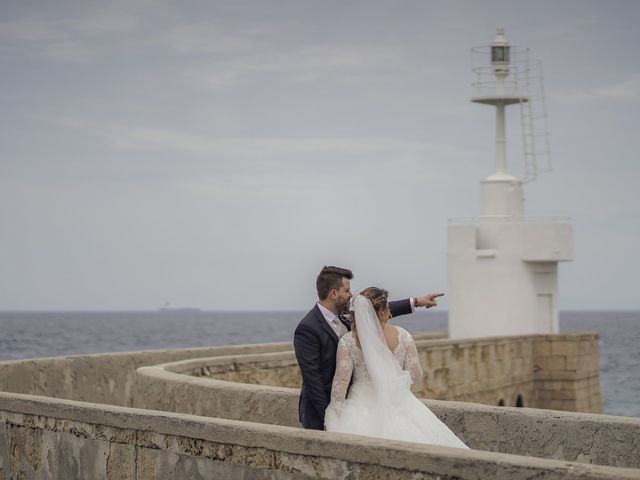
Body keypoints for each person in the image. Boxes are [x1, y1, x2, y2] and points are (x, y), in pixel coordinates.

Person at [293, 266, 444, 430]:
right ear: (334, 294)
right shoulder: (307, 328)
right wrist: (331, 420)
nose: (351, 295)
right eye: (347, 290)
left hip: (356, 405)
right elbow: (312, 379)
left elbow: (374, 310)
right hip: (320, 412)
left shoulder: (349, 315)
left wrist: (415, 302)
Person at [324, 287, 469, 449]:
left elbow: (341, 381)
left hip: (360, 406)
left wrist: (335, 415)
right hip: (400, 404)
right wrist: (396, 383)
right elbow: (416, 375)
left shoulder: (348, 341)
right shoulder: (404, 336)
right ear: (384, 311)